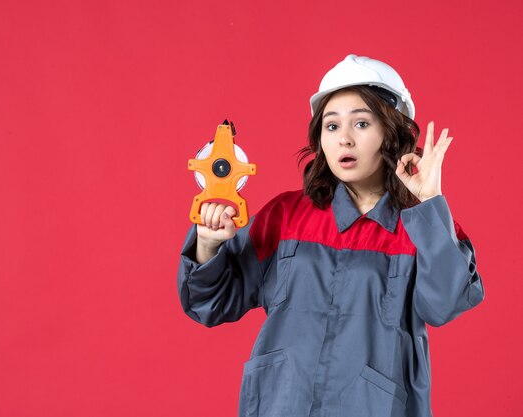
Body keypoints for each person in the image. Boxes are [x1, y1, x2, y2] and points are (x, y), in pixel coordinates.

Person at [177, 54, 485, 417]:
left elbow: (445, 304)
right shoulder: (287, 216)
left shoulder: (421, 225)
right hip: (281, 405)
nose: (345, 140)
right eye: (332, 126)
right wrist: (209, 246)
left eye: (362, 123)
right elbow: (211, 304)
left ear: (392, 132)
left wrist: (429, 203)